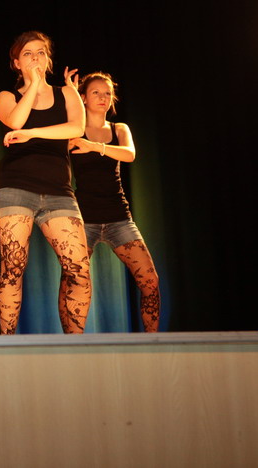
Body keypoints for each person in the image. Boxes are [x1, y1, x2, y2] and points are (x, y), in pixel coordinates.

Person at [0, 30, 89, 334]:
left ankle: (75, 345)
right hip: (15, 187)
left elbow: (76, 128)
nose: (35, 58)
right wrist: (33, 85)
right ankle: (7, 346)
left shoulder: (68, 94)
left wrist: (33, 134)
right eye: (27, 54)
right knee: (13, 267)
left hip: (59, 191)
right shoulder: (7, 97)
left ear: (48, 59)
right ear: (16, 63)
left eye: (41, 52)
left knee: (79, 269)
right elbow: (15, 121)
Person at [66, 70, 160, 332]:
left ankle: (153, 343)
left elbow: (129, 154)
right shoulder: (74, 131)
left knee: (150, 281)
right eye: (95, 92)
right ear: (84, 98)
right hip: (84, 218)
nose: (103, 97)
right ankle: (72, 345)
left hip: (119, 217)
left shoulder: (119, 129)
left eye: (107, 93)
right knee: (74, 283)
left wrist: (95, 146)